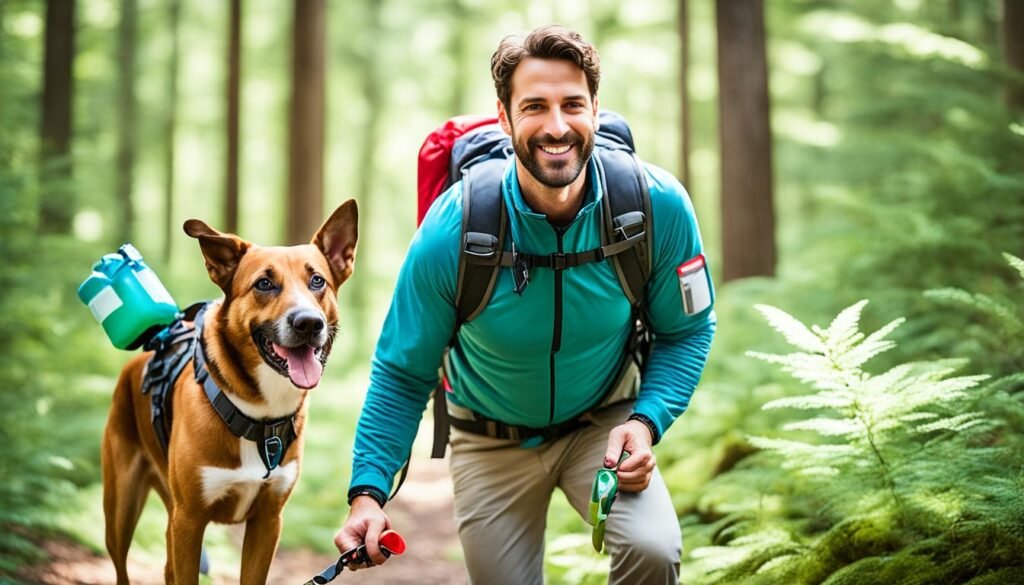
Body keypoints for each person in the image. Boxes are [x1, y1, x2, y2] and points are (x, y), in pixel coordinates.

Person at [334, 24, 716, 585]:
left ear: (595, 110)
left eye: (572, 104)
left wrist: (646, 420)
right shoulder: (455, 229)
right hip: (490, 441)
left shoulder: (654, 208)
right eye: (535, 106)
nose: (556, 126)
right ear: (504, 117)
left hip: (604, 427)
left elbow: (688, 330)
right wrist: (367, 493)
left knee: (654, 549)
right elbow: (402, 371)